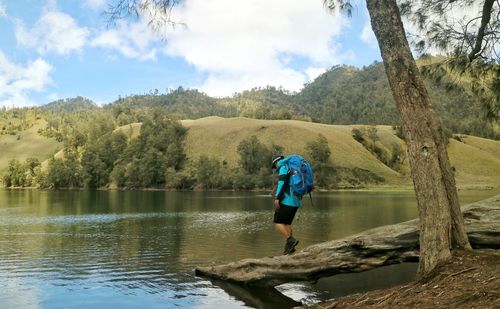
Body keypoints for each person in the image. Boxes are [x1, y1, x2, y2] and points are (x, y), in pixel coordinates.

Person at [271, 155, 301, 255]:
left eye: (274, 166)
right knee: (287, 223)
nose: (275, 168)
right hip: (296, 201)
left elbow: (282, 184)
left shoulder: (284, 168)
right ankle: (290, 248)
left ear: (277, 162)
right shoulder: (293, 168)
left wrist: (277, 198)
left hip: (287, 200)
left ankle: (290, 240)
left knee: (278, 222)